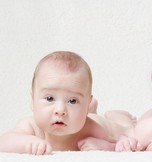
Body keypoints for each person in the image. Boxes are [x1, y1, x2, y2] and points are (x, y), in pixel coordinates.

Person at [0, 51, 133, 155]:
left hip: (99, 121)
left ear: (86, 104)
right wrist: (27, 142)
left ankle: (116, 114)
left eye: (72, 101)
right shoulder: (32, 126)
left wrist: (104, 146)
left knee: (127, 128)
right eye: (50, 98)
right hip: (85, 114)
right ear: (33, 101)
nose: (60, 110)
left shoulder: (91, 128)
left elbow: (121, 140)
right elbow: (4, 141)